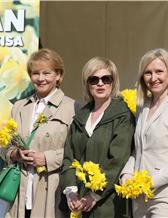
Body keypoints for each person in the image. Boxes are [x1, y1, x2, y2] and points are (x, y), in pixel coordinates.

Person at [0, 48, 76, 218]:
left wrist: (46, 158)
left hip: (51, 190)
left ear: (58, 75)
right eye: (35, 73)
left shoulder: (71, 108)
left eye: (46, 73)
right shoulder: (19, 107)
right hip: (20, 193)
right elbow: (3, 145)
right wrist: (15, 154)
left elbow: (78, 152)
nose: (40, 78)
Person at [60, 57, 135, 218]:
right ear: (87, 84)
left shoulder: (123, 116)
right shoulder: (79, 117)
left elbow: (118, 161)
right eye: (94, 79)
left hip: (110, 205)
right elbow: (68, 157)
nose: (100, 84)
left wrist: (94, 195)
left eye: (106, 79)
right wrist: (71, 192)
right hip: (78, 203)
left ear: (113, 82)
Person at [120, 48, 168, 217]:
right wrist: (127, 173)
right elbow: (138, 150)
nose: (153, 78)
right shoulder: (142, 108)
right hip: (139, 199)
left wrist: (150, 181)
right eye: (148, 73)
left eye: (159, 71)